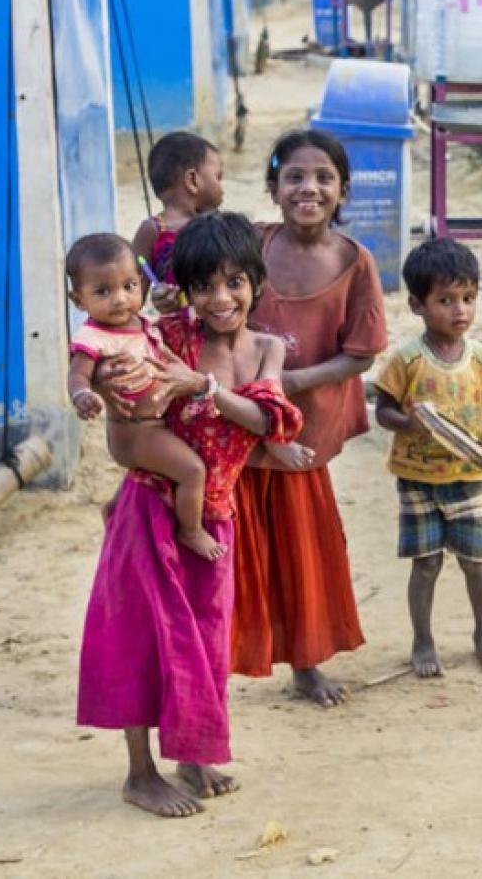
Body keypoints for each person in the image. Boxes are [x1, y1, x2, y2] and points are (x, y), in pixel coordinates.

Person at [77, 212, 301, 817]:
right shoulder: (164, 336)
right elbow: (118, 392)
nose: (220, 298)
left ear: (256, 282)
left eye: (234, 282)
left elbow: (267, 421)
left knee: (204, 642)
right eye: (204, 285)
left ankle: (192, 755)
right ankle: (140, 772)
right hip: (150, 506)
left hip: (215, 515)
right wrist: (109, 387)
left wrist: (200, 387)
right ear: (186, 290)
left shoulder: (266, 348)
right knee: (139, 639)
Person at [236, 129, 387, 706]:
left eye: (324, 177)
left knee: (301, 551)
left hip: (305, 434)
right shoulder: (250, 245)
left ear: (343, 189)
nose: (309, 188)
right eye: (294, 176)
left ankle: (306, 663)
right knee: (241, 545)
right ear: (273, 187)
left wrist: (292, 381)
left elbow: (363, 351)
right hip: (240, 427)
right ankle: (227, 655)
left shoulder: (353, 261)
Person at [372, 238, 482, 678]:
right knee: (427, 563)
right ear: (416, 304)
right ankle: (423, 640)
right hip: (418, 479)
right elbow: (384, 410)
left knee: (476, 562)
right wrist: (406, 422)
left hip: (469, 476)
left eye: (468, 298)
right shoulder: (407, 361)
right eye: (445, 300)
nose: (460, 311)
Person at [65, 233, 217, 561]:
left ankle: (116, 507)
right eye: (103, 291)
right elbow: (77, 374)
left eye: (129, 286)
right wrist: (81, 395)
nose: (120, 299)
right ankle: (190, 530)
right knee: (193, 470)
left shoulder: (143, 322)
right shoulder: (92, 336)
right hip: (135, 431)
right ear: (78, 300)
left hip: (154, 424)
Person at [133, 131, 226, 311]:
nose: (222, 188)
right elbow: (133, 295)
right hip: (176, 333)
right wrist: (160, 297)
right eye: (218, 177)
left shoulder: (221, 225)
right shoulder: (153, 230)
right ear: (192, 180)